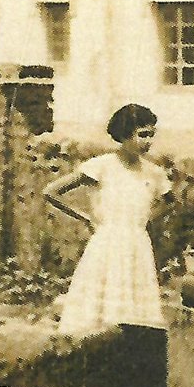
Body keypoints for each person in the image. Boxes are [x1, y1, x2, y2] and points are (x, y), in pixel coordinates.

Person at [48, 104, 172, 338]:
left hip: (138, 245)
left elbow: (169, 201)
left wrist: (144, 221)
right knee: (98, 310)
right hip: (107, 244)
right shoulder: (102, 166)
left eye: (151, 135)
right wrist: (86, 218)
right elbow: (51, 191)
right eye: (142, 135)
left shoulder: (153, 172)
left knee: (136, 313)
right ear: (125, 134)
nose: (148, 141)